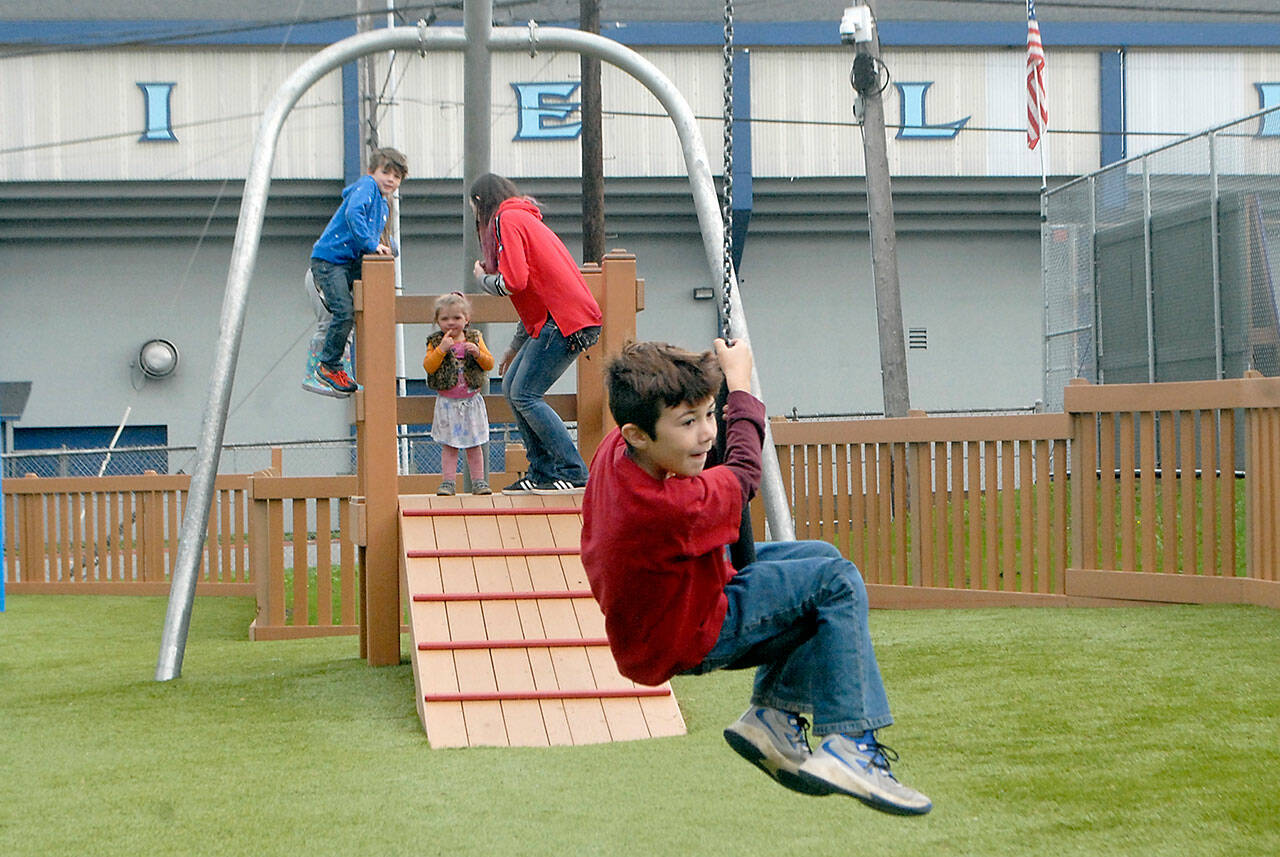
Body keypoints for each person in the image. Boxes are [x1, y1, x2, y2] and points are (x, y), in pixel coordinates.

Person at [580, 339, 932, 816]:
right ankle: (851, 743)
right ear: (638, 433)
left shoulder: (617, 451)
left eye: (708, 415)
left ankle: (773, 714)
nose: (706, 434)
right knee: (835, 581)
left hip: (679, 592)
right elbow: (745, 474)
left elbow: (714, 452)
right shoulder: (668, 508)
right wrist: (740, 388)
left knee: (818, 557)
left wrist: (714, 389)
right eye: (688, 423)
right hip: (687, 631)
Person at [470, 173, 602, 495]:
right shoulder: (522, 218)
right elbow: (534, 292)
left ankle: (572, 470)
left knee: (525, 394)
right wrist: (515, 347)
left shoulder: (506, 219)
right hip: (558, 319)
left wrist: (481, 280)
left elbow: (514, 281)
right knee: (513, 387)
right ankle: (541, 470)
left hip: (562, 320)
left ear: (479, 202)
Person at [307, 147, 408, 395]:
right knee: (343, 312)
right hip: (330, 260)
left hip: (347, 263)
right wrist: (373, 244)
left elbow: (379, 236)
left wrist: (388, 247)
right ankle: (328, 365)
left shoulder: (383, 206)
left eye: (396, 177)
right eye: (386, 172)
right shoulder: (366, 187)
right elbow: (354, 214)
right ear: (371, 171)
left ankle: (339, 365)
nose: (390, 180)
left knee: (354, 311)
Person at [422, 292, 495, 496]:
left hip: (471, 400)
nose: (451, 323)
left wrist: (478, 354)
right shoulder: (436, 342)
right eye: (444, 319)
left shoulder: (474, 338)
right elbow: (429, 366)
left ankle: (479, 481)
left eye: (456, 318)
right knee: (450, 444)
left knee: (474, 443)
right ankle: (448, 482)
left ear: (466, 319)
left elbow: (489, 363)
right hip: (448, 402)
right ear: (437, 321)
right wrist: (441, 350)